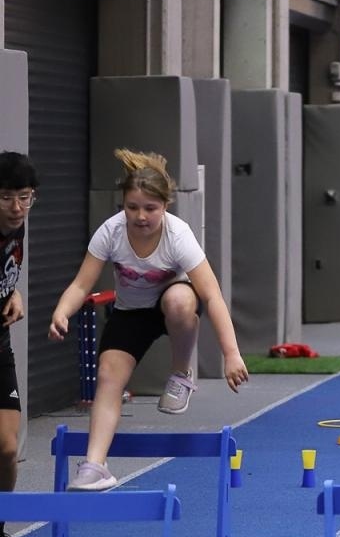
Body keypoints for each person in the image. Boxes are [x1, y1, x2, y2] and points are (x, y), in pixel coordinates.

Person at [49, 150, 249, 490]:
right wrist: (61, 311)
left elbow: (212, 295)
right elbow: (82, 284)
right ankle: (95, 465)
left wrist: (231, 353)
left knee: (178, 301)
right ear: (123, 205)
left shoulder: (178, 235)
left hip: (174, 303)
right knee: (108, 376)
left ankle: (181, 373)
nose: (140, 216)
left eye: (150, 208)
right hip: (131, 313)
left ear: (166, 206)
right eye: (132, 207)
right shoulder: (111, 232)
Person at [0, 154, 36, 537]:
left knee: (8, 447)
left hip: (0, 344)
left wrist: (14, 293)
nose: (16, 207)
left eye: (24, 197)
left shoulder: (17, 226)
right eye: (6, 197)